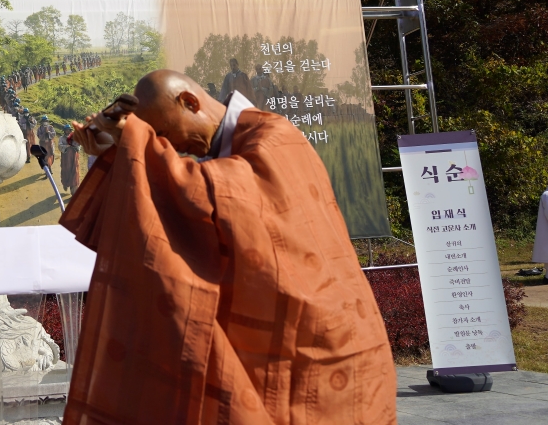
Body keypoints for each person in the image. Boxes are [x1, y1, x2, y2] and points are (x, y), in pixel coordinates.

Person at [61, 69, 396, 424]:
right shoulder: (224, 152)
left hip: (323, 344)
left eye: (163, 134)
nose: (169, 147)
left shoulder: (274, 138)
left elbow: (209, 193)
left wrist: (138, 144)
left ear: (189, 102)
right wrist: (119, 150)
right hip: (276, 344)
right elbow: (170, 212)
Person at [59, 125, 81, 194]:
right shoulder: (61, 138)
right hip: (66, 159)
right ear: (64, 131)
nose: (68, 131)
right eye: (66, 130)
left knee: (75, 172)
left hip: (74, 158)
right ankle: (65, 184)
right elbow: (60, 146)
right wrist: (66, 146)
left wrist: (74, 145)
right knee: (66, 171)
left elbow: (79, 146)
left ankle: (73, 192)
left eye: (69, 130)